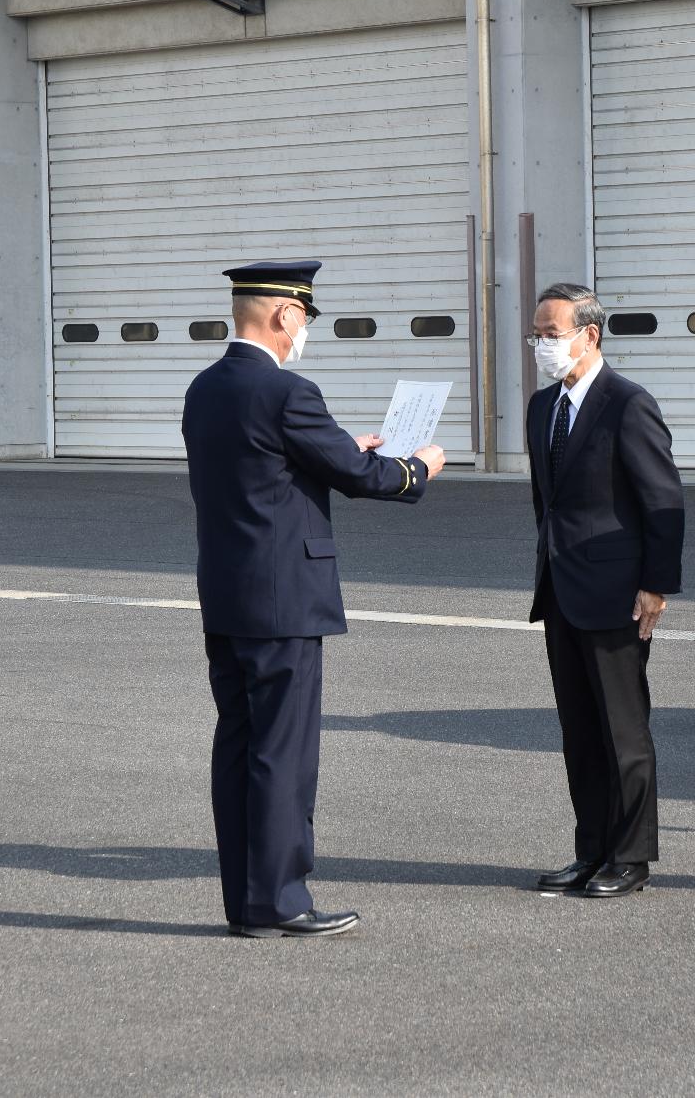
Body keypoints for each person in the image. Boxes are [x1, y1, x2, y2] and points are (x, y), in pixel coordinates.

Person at [181, 261, 446, 938]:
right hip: (286, 601)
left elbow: (266, 466)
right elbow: (363, 475)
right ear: (286, 315)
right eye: (305, 318)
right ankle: (282, 899)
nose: (304, 332)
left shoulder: (206, 388)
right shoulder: (286, 390)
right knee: (284, 753)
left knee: (239, 746)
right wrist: (419, 467)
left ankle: (247, 901)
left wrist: (336, 448)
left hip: (230, 594)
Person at [525, 283, 684, 899]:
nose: (542, 344)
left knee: (622, 729)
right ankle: (589, 849)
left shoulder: (627, 404)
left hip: (618, 591)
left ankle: (631, 855)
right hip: (561, 588)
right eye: (536, 334)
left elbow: (663, 501)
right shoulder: (544, 408)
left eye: (552, 333)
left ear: (589, 334)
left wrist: (655, 585)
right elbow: (547, 502)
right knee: (579, 730)